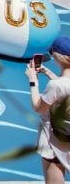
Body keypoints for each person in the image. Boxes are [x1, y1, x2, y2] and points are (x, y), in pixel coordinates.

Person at [28, 36, 70, 184]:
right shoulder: (59, 84)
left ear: (59, 57)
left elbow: (38, 107)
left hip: (53, 141)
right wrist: (48, 73)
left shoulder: (56, 86)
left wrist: (33, 81)